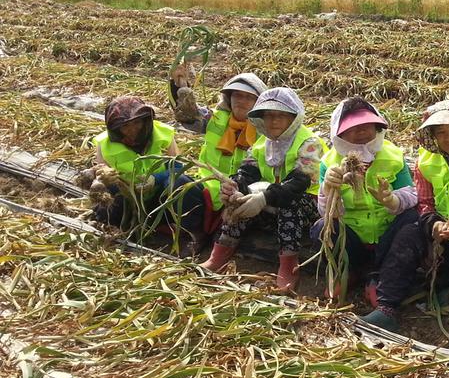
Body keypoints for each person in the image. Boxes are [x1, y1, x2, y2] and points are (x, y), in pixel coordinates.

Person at [364, 99, 449, 332]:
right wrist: (435, 224)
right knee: (409, 233)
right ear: (433, 136)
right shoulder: (425, 162)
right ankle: (386, 307)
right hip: (445, 234)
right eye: (442, 133)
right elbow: (425, 203)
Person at [199, 87, 325, 291]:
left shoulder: (309, 143)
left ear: (293, 118)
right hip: (270, 198)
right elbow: (247, 171)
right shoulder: (262, 143)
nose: (274, 121)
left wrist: (263, 198)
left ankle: (288, 264)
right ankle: (220, 253)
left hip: (305, 206)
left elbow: (299, 184)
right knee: (239, 199)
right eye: (269, 116)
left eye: (281, 116)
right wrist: (235, 186)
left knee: (289, 203)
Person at [313, 97, 418, 302]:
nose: (361, 132)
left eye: (366, 126)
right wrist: (328, 189)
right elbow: (329, 213)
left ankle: (379, 276)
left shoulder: (393, 156)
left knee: (412, 220)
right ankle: (346, 270)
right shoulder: (330, 163)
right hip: (353, 238)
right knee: (321, 227)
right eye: (353, 127)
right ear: (339, 133)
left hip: (386, 234)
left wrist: (392, 200)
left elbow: (412, 193)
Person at [91, 96, 207, 253]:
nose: (132, 130)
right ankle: (120, 230)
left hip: (161, 202)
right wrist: (104, 179)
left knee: (180, 182)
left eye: (137, 123)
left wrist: (156, 178)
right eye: (125, 125)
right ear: (115, 127)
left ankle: (194, 234)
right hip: (130, 202)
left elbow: (178, 166)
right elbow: (100, 172)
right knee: (105, 200)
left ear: (145, 121)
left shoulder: (162, 133)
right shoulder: (104, 143)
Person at [169, 66, 268, 236]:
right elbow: (188, 115)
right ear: (229, 98)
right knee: (180, 184)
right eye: (237, 95)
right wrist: (180, 86)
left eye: (248, 97)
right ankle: (192, 235)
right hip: (209, 183)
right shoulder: (214, 118)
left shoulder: (267, 128)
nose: (241, 101)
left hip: (243, 188)